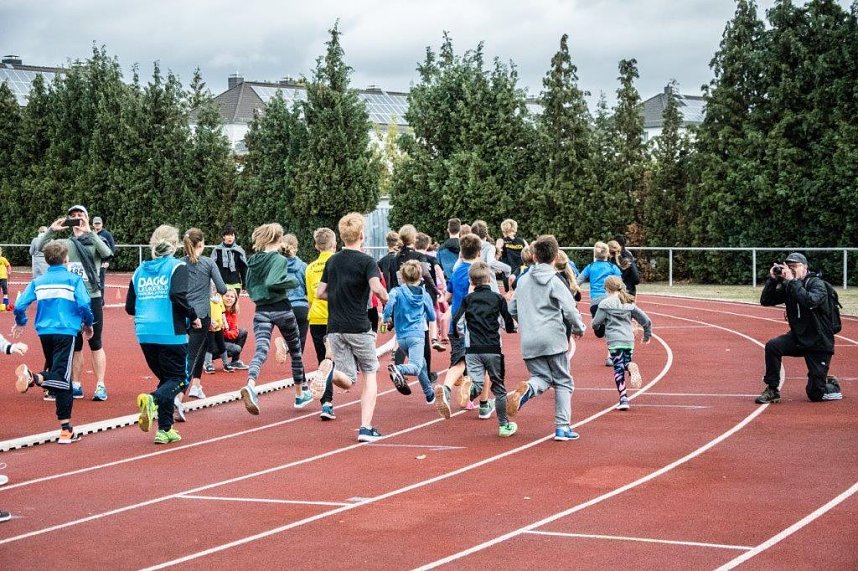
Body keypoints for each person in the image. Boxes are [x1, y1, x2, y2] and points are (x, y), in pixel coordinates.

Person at [315, 213, 390, 442]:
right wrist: (386, 298)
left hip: (335, 327)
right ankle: (365, 428)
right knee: (369, 372)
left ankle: (330, 373)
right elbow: (376, 287)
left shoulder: (332, 261)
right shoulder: (367, 261)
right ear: (361, 235)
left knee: (347, 378)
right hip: (358, 325)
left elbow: (319, 292)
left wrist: (338, 297)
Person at [13, 240, 94, 444]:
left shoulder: (39, 281)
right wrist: (88, 323)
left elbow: (20, 304)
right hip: (66, 331)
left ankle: (66, 429)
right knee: (62, 378)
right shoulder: (73, 280)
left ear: (47, 261)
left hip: (44, 332)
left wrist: (21, 321)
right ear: (66, 259)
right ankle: (33, 377)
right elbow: (84, 303)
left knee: (61, 379)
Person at [507, 235, 586, 441]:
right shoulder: (554, 280)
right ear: (555, 256)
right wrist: (580, 327)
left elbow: (511, 308)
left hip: (529, 339)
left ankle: (529, 389)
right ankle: (562, 427)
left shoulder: (522, 280)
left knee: (541, 378)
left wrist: (524, 320)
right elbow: (570, 309)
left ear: (533, 256)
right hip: (553, 338)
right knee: (563, 381)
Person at [126, 225, 198, 443]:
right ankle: (151, 400)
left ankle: (165, 429)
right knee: (180, 378)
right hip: (170, 331)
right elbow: (178, 295)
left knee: (166, 379)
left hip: (145, 332)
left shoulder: (139, 271)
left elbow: (130, 307)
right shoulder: (177, 267)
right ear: (175, 245)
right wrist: (193, 316)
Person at [36, 205, 113, 401]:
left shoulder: (96, 241)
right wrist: (52, 230)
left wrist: (90, 232)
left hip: (92, 297)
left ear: (87, 219)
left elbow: (107, 253)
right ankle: (76, 384)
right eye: (73, 217)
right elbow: (39, 248)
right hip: (71, 298)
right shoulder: (65, 243)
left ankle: (100, 385)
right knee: (75, 344)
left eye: (81, 216)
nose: (77, 219)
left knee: (95, 343)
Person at [240, 223, 310, 415]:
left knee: (261, 350)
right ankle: (299, 394)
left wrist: (260, 296)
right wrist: (292, 281)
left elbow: (249, 286)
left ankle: (251, 384)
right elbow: (273, 282)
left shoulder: (253, 260)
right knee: (295, 350)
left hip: (261, 310)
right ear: (279, 240)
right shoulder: (278, 260)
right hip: (282, 309)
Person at [756, 252, 842, 404]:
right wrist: (772, 280)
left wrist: (792, 282)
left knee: (815, 395)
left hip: (819, 342)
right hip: (798, 337)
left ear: (805, 267)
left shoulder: (817, 284)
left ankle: (831, 384)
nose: (791, 270)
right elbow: (766, 300)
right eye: (789, 267)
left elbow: (810, 301)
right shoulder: (789, 286)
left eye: (794, 266)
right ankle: (772, 389)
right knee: (773, 346)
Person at [451, 262, 518, 437]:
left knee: (478, 382)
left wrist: (459, 335)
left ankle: (470, 390)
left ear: (471, 281)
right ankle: (504, 425)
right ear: (489, 278)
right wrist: (512, 328)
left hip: (472, 348)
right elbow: (507, 322)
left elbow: (457, 321)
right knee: (499, 387)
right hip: (493, 348)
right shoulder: (498, 299)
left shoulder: (467, 300)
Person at [434, 234, 484, 419]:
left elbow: (446, 297)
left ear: (461, 253)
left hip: (455, 321)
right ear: (479, 252)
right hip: (473, 323)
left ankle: (466, 398)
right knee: (471, 362)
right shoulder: (480, 272)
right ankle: (448, 389)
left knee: (461, 359)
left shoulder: (456, 272)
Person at [592, 276, 653, 411]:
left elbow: (596, 322)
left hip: (614, 340)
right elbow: (646, 321)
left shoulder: (605, 304)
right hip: (628, 340)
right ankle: (630, 366)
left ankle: (623, 398)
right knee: (625, 363)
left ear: (606, 289)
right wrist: (647, 335)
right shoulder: (629, 304)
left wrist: (598, 328)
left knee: (618, 368)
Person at [181, 228, 227, 401]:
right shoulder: (208, 263)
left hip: (182, 313)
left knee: (198, 349)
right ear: (201, 244)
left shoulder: (179, 263)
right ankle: (178, 394)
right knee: (192, 354)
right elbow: (222, 288)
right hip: (201, 313)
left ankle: (197, 385)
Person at [383, 260, 437, 404]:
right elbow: (432, 316)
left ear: (402, 276)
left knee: (422, 363)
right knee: (416, 366)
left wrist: (387, 317)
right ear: (420, 277)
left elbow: (389, 304)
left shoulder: (397, 291)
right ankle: (398, 369)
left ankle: (429, 393)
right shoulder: (424, 295)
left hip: (401, 337)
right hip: (417, 335)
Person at [305, 227, 336, 368]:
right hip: (336, 316)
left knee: (322, 361)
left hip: (316, 317)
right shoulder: (338, 262)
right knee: (337, 358)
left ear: (316, 246)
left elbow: (311, 298)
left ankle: (326, 390)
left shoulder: (310, 268)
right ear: (334, 244)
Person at [211, 223, 248, 294]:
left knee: (234, 304)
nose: (230, 237)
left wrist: (244, 285)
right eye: (228, 235)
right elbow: (212, 268)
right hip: (221, 284)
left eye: (232, 235)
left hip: (235, 284)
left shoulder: (239, 250)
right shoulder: (217, 250)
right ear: (224, 236)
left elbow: (244, 269)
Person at [203, 286, 232, 374]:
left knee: (221, 345)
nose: (213, 289)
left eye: (215, 288)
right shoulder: (206, 300)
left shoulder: (219, 299)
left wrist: (225, 323)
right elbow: (205, 313)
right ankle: (208, 364)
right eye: (211, 288)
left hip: (219, 327)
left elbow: (222, 312)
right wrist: (210, 322)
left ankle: (226, 363)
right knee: (210, 345)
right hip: (210, 327)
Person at [495, 218, 527, 291]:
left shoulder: (501, 241)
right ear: (515, 228)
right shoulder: (523, 241)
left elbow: (496, 252)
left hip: (508, 273)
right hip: (520, 273)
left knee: (509, 296)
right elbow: (529, 254)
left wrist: (496, 266)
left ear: (503, 229)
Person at [92, 216, 117, 297]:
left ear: (102, 224)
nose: (97, 225)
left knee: (100, 281)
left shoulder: (107, 234)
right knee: (92, 280)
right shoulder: (90, 234)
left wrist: (107, 261)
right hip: (92, 261)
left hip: (102, 261)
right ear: (93, 224)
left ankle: (101, 301)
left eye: (99, 223)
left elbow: (112, 248)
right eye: (96, 223)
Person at [436, 218, 461, 284]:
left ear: (448, 230)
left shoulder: (441, 249)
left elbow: (438, 267)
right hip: (464, 281)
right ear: (460, 229)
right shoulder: (466, 246)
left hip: (449, 282)